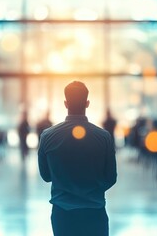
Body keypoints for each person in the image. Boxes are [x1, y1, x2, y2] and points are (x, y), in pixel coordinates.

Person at [38, 81, 117, 236]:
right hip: (94, 211)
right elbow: (111, 178)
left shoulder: (47, 136)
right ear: (87, 103)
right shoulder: (104, 137)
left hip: (63, 213)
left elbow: (46, 176)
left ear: (65, 103)